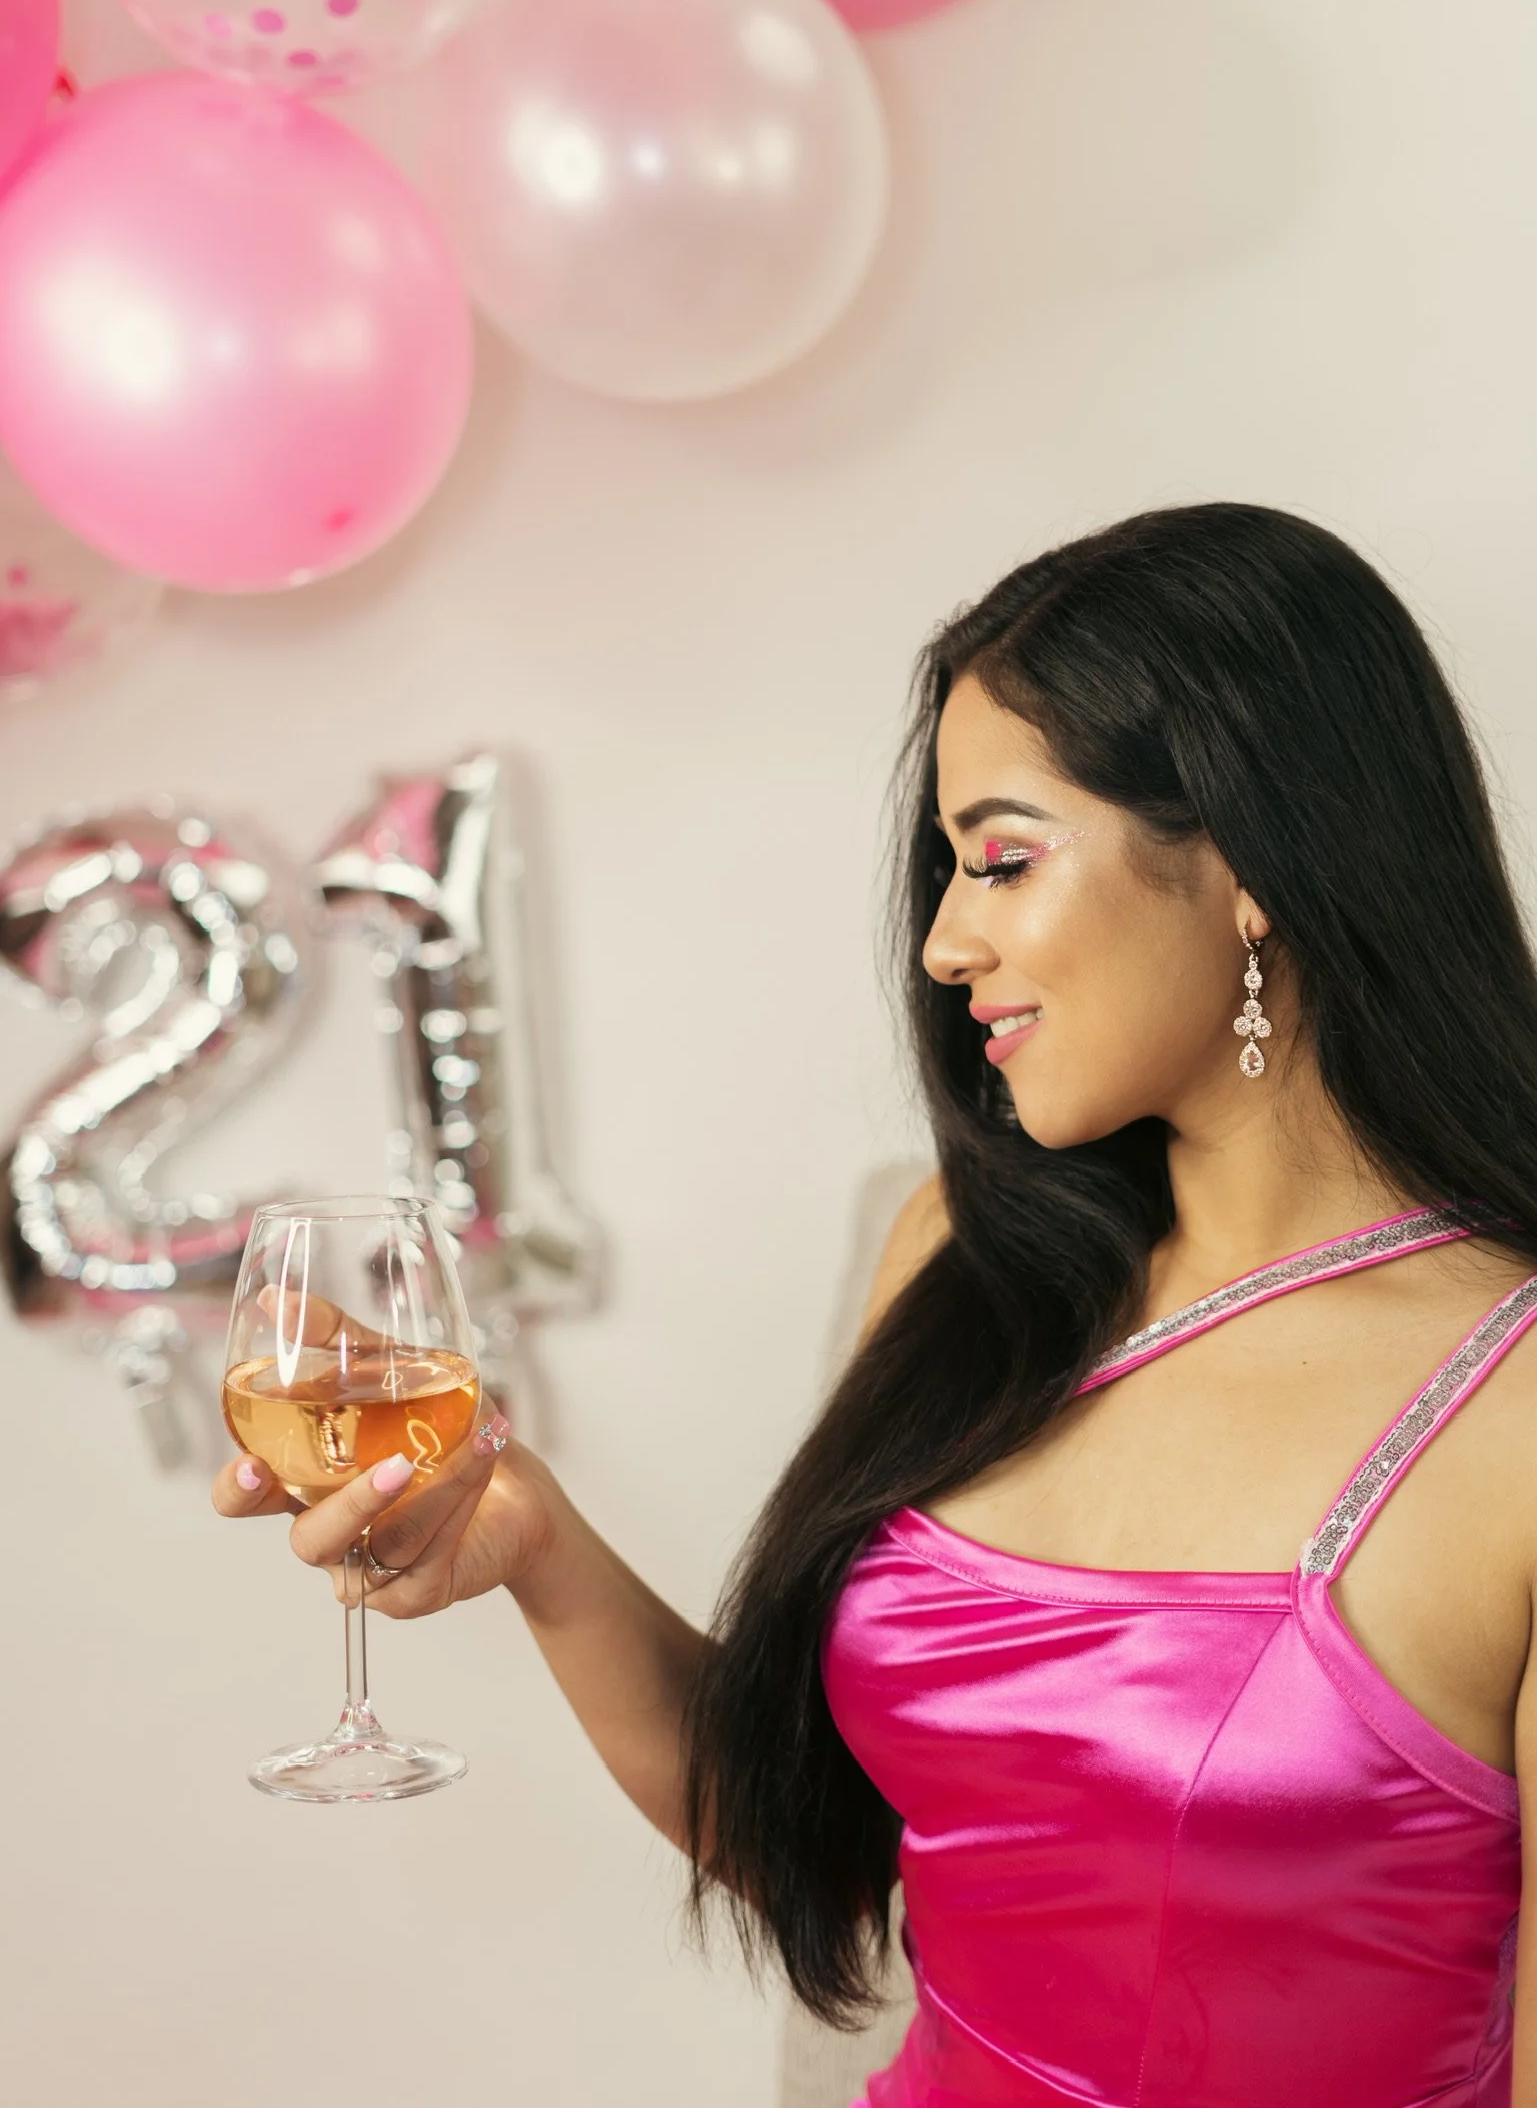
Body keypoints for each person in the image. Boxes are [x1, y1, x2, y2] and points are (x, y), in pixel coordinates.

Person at [214, 502, 1537, 2107]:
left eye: (1003, 859)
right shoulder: (970, 1262)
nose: (945, 941)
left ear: (1254, 861)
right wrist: (534, 1543)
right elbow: (827, 1861)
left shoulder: (1511, 1400)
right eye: (945, 871)